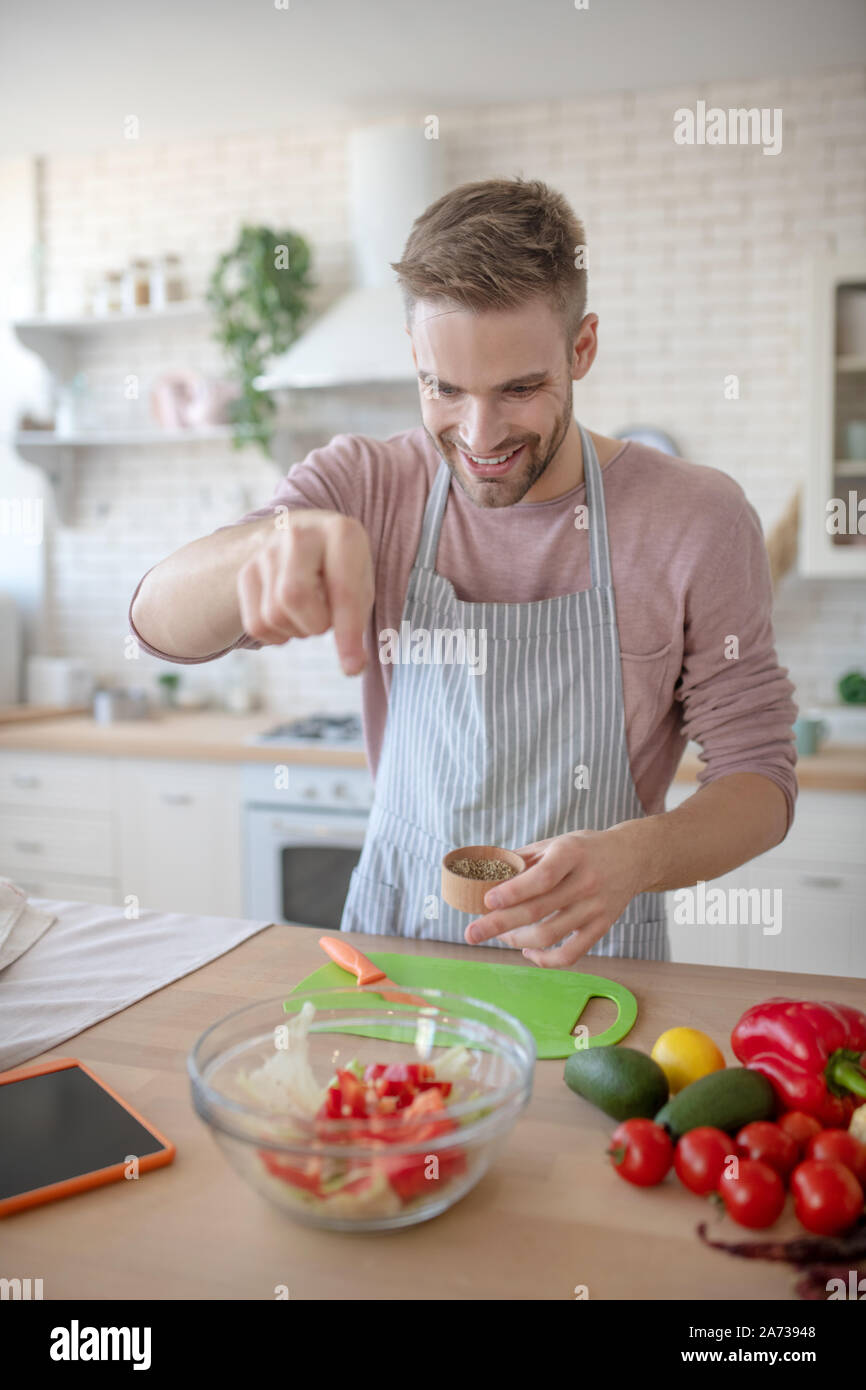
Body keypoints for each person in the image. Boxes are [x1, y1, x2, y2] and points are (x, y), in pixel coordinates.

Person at [129, 177, 797, 967]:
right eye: (443, 389)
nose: (480, 436)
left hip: (595, 963)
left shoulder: (696, 518)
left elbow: (758, 776)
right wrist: (268, 545)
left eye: (520, 389)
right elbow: (154, 624)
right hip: (394, 954)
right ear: (415, 356)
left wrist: (637, 858)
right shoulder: (366, 484)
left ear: (581, 349)